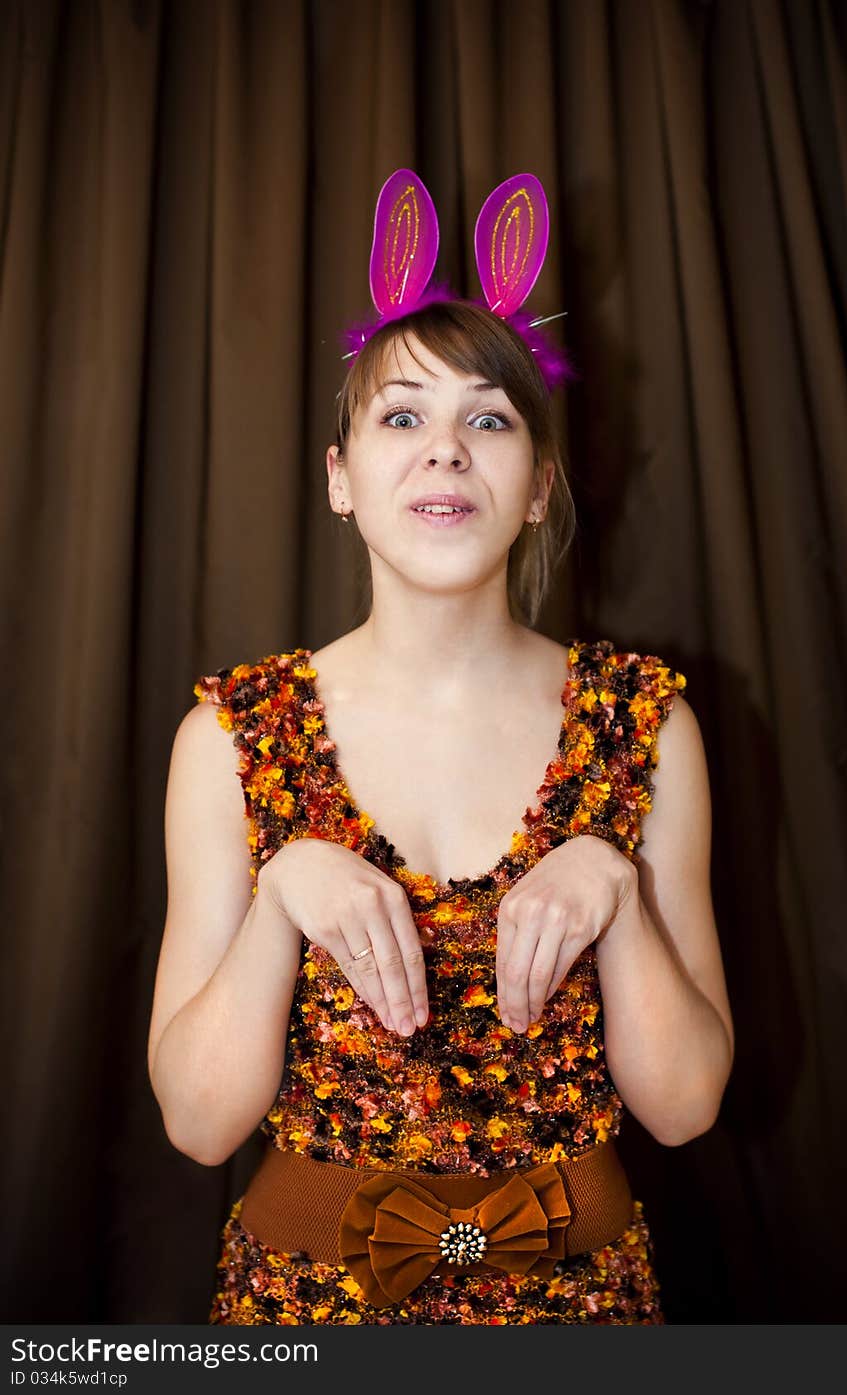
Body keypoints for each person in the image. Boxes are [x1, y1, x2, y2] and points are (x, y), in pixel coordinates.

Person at [148, 172, 733, 1325]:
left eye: (490, 418)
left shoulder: (642, 722)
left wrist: (616, 888)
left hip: (584, 1307)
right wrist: (279, 898)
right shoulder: (232, 736)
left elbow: (685, 1107)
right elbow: (198, 1123)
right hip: (302, 1310)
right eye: (402, 416)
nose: (446, 451)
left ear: (536, 489)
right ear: (339, 478)